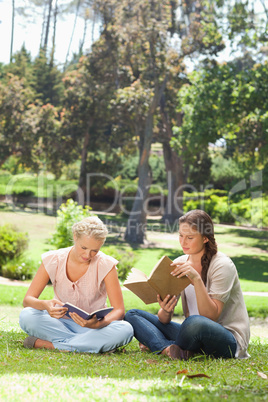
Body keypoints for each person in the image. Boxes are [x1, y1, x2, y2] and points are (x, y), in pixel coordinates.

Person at [125, 209, 250, 360]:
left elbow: (210, 317)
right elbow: (164, 320)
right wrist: (165, 309)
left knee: (193, 322)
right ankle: (168, 349)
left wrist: (196, 280)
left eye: (190, 237)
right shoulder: (179, 264)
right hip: (192, 333)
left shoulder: (222, 265)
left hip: (227, 339)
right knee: (133, 314)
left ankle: (158, 343)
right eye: (181, 236)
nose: (183, 242)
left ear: (205, 238)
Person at [19, 216, 133, 353]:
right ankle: (91, 345)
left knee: (126, 329)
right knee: (27, 315)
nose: (87, 255)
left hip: (94, 327)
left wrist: (98, 324)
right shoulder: (53, 259)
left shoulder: (106, 264)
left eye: (94, 250)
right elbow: (28, 300)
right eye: (83, 247)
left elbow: (119, 310)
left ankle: (49, 345)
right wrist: (45, 305)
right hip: (60, 324)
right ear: (75, 237)